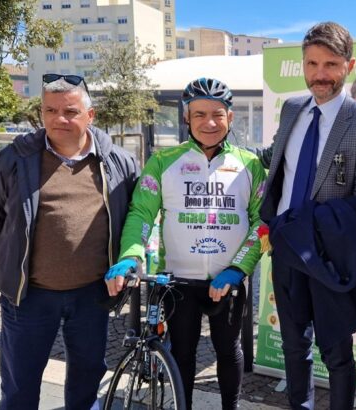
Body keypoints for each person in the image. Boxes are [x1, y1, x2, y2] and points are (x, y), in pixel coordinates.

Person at [0, 74, 140, 410]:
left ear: (90, 116)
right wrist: (17, 253)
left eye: (70, 111)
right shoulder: (12, 159)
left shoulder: (118, 162)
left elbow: (131, 220)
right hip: (29, 295)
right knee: (20, 384)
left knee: (87, 376)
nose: (59, 119)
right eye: (50, 110)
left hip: (92, 295)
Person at [103, 77, 267, 410]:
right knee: (183, 354)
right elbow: (141, 216)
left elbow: (262, 224)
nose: (210, 123)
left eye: (218, 114)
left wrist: (239, 269)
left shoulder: (250, 165)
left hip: (228, 282)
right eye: (200, 114)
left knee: (228, 350)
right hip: (178, 282)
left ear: (230, 118)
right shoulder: (163, 163)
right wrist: (131, 255)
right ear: (186, 118)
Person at [256, 22, 356, 409]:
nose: (320, 74)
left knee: (336, 350)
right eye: (312, 63)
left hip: (327, 253)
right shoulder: (293, 108)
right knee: (292, 343)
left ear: (349, 65)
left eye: (331, 64)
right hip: (284, 248)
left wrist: (308, 224)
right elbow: (279, 161)